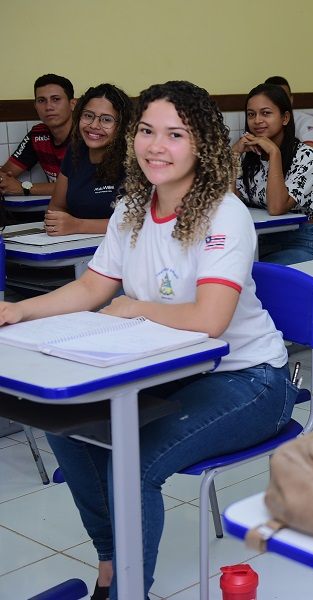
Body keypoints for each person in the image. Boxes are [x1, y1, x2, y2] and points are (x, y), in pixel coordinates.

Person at [0, 81, 295, 600]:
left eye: (175, 134)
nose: (155, 146)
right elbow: (94, 286)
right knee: (67, 425)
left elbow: (211, 320)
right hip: (174, 373)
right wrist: (17, 310)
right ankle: (113, 565)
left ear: (202, 143)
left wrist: (135, 308)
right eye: (146, 131)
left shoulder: (224, 214)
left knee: (133, 462)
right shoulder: (133, 207)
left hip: (251, 380)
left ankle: (129, 593)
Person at [233, 83, 313, 264]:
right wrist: (233, 155)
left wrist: (274, 154)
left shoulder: (306, 156)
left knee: (253, 275)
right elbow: (227, 202)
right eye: (251, 114)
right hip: (261, 242)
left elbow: (277, 208)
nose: (257, 120)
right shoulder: (251, 156)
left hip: (304, 244)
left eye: (266, 113)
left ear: (285, 118)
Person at [44, 84, 132, 237]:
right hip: (76, 248)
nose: (94, 125)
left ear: (121, 126)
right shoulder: (75, 150)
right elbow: (56, 207)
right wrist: (57, 223)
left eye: (106, 120)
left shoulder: (134, 159)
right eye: (88, 116)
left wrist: (77, 225)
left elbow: (136, 222)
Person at [0, 74, 76, 197]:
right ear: (35, 106)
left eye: (56, 99)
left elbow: (82, 186)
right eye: (42, 101)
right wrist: (4, 181)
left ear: (72, 104)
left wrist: (24, 188)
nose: (49, 107)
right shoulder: (38, 135)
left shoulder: (87, 135)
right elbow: (5, 173)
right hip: (55, 209)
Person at [264, 75, 313, 150]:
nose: (279, 103)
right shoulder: (259, 122)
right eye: (273, 98)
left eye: (283, 98)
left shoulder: (305, 120)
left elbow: (310, 152)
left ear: (291, 100)